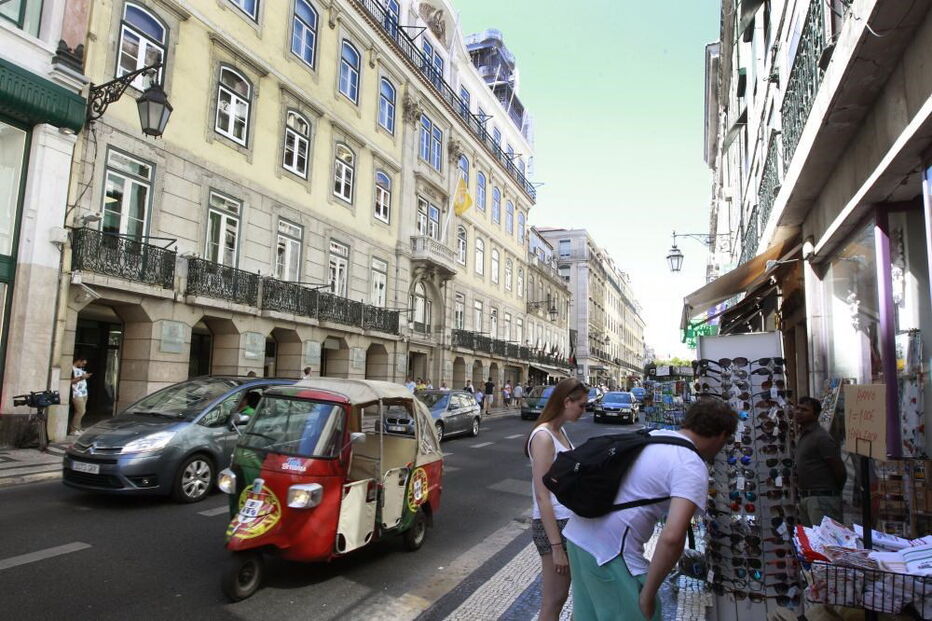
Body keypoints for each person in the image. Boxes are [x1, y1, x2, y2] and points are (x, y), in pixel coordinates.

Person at [564, 398, 737, 620]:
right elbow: (673, 537)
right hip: (610, 554)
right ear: (722, 435)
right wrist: (648, 594)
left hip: (578, 539)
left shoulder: (651, 436)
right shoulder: (691, 464)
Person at [525, 378, 588, 621]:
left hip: (566, 521)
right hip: (553, 525)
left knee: (559, 598)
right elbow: (542, 495)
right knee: (553, 601)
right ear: (566, 401)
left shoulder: (559, 432)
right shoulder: (543, 437)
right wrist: (556, 548)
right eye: (581, 405)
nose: (584, 410)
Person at [795, 396, 846, 526]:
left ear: (816, 414)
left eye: (804, 410)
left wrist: (830, 493)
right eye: (798, 408)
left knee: (825, 541)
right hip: (807, 497)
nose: (799, 412)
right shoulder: (802, 436)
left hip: (821, 499)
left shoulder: (821, 438)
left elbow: (839, 469)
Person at [70, 355, 92, 435]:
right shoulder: (71, 369)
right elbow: (70, 381)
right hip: (76, 393)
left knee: (80, 411)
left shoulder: (81, 369)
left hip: (83, 392)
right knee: (81, 411)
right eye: (83, 363)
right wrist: (82, 377)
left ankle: (78, 428)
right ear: (78, 361)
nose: (83, 365)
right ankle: (73, 429)